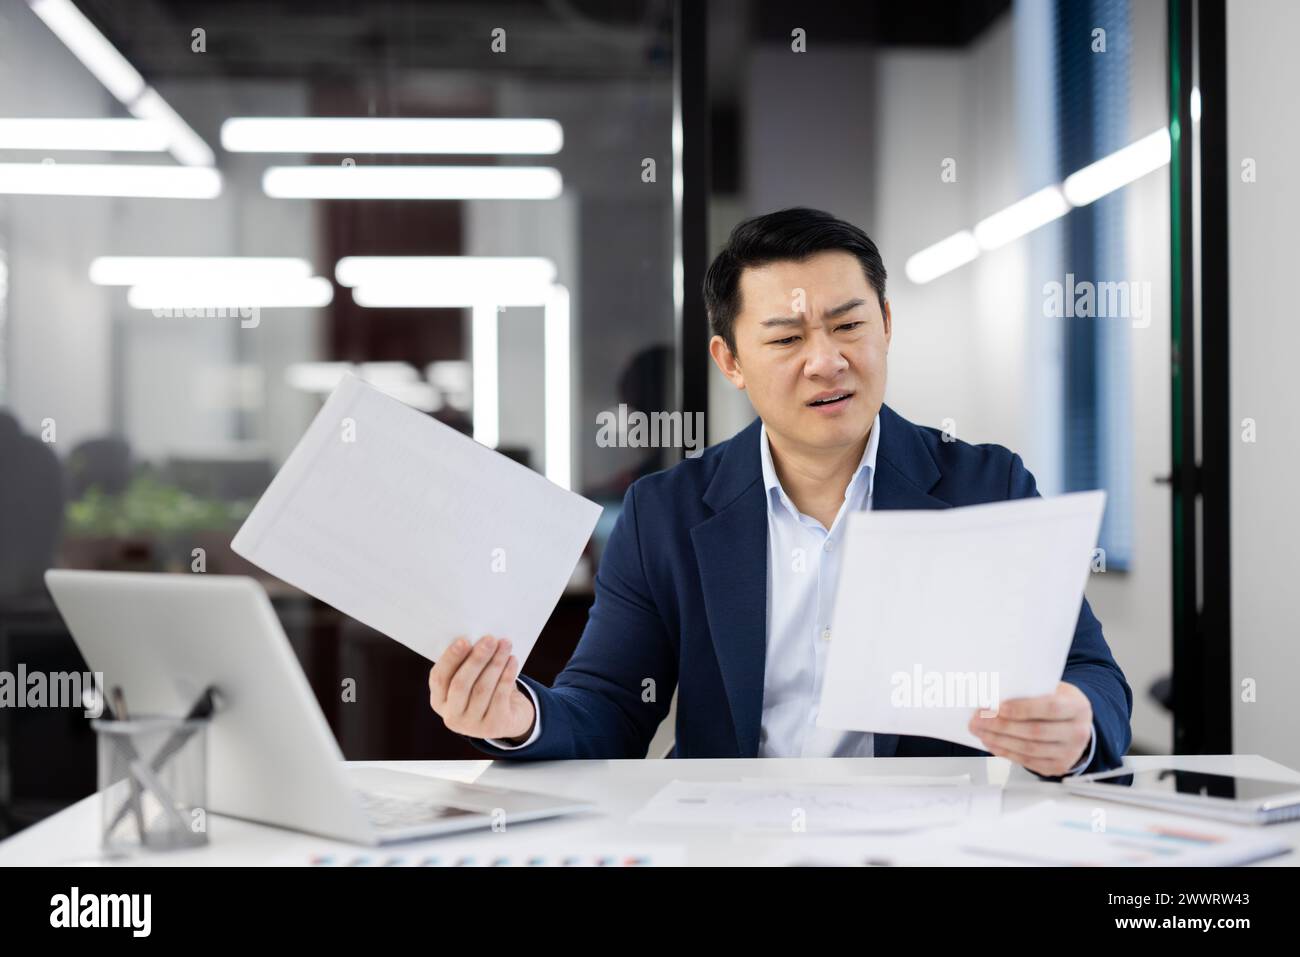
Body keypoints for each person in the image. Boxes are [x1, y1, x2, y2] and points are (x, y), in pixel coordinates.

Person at [428, 207, 1132, 778]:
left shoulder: (989, 487)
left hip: (929, 843)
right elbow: (610, 704)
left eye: (850, 325)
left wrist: (1077, 723)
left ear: (886, 323)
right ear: (729, 360)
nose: (826, 361)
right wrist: (518, 717)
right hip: (734, 848)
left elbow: (1090, 672)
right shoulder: (663, 514)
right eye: (787, 337)